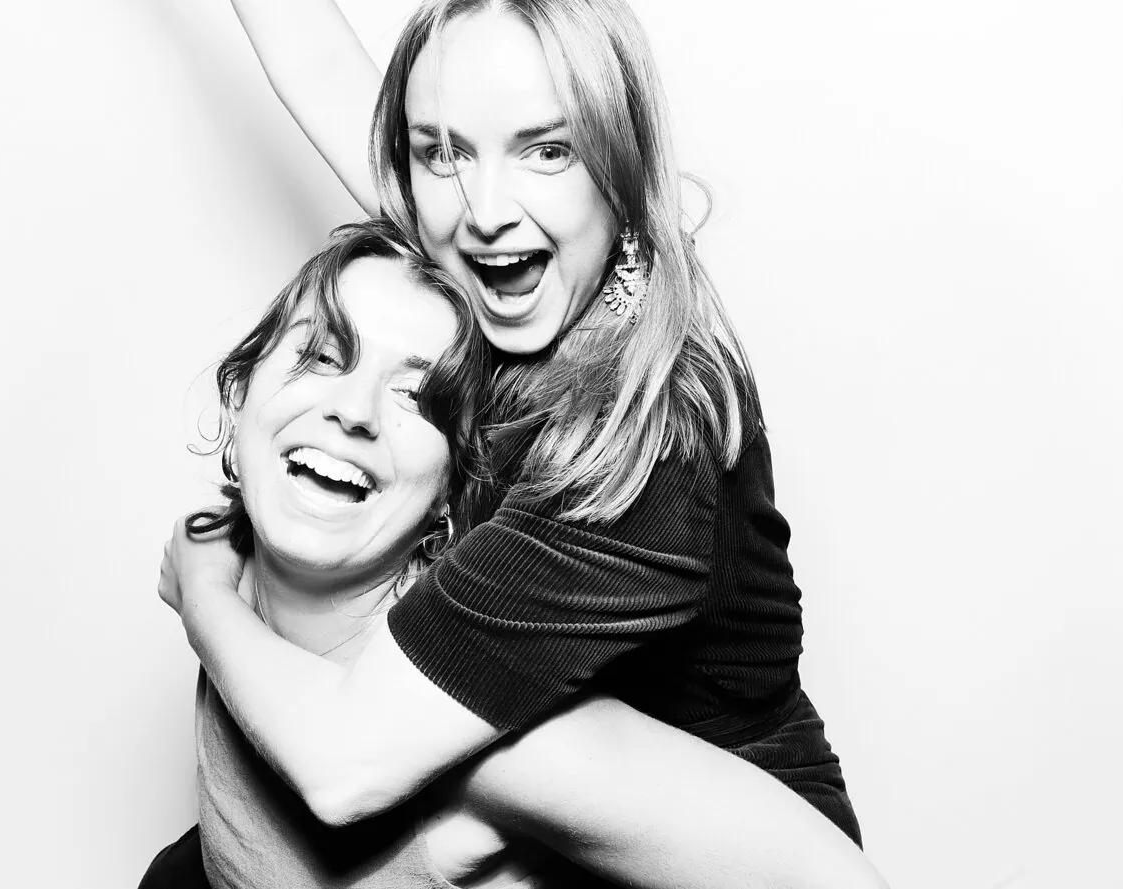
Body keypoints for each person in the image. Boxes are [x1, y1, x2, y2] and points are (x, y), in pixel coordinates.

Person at [162, 0, 864, 856]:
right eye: (443, 151)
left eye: (548, 150)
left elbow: (345, 766)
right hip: (529, 808)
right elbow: (314, 59)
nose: (486, 210)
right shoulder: (513, 269)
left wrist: (203, 590)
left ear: (621, 165)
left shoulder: (644, 441)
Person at [145, 221, 883, 889]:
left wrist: (200, 597)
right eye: (321, 357)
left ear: (449, 491)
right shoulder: (230, 558)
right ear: (238, 397)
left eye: (416, 396)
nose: (353, 410)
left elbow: (825, 875)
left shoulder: (495, 737)